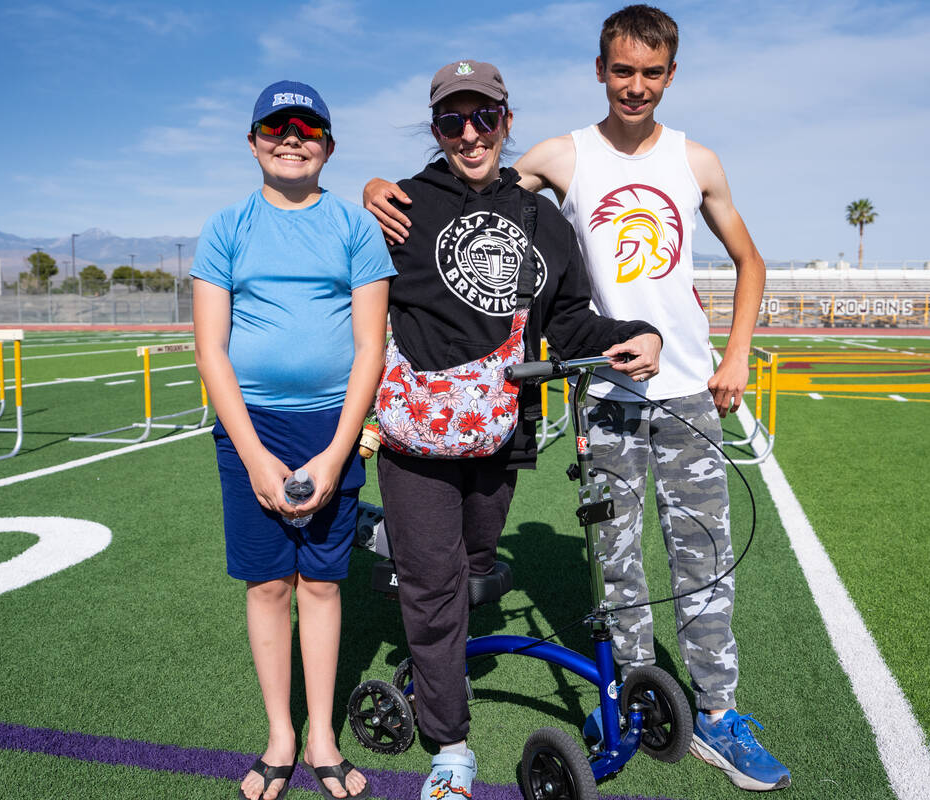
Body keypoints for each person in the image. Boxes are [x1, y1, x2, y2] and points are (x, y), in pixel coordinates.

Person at [364, 6, 790, 793]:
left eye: (651, 72)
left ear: (670, 75)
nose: (636, 85)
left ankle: (719, 714)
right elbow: (477, 203)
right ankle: (627, 697)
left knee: (703, 558)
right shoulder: (560, 157)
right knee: (615, 566)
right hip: (605, 396)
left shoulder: (696, 159)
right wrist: (375, 188)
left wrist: (733, 354)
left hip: (686, 387)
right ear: (600, 70)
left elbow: (746, 259)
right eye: (622, 70)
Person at [375, 60, 662, 800]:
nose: (470, 134)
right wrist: (364, 194)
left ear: (507, 120)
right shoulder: (401, 204)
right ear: (436, 128)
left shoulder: (542, 219)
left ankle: (401, 551)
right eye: (452, 120)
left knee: (474, 560)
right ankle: (451, 747)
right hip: (416, 432)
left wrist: (634, 332)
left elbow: (568, 320)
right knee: (434, 584)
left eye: (485, 117)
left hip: (506, 425)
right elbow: (348, 287)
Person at [192, 80, 395, 800]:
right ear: (252, 143)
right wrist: (253, 456)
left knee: (323, 584)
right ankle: (281, 733)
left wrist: (337, 454)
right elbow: (212, 350)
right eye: (276, 127)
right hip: (252, 427)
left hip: (331, 425)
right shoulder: (225, 228)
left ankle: (322, 736)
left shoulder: (354, 227)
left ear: (328, 147)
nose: (291, 139)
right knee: (271, 583)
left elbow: (371, 347)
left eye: (307, 129)